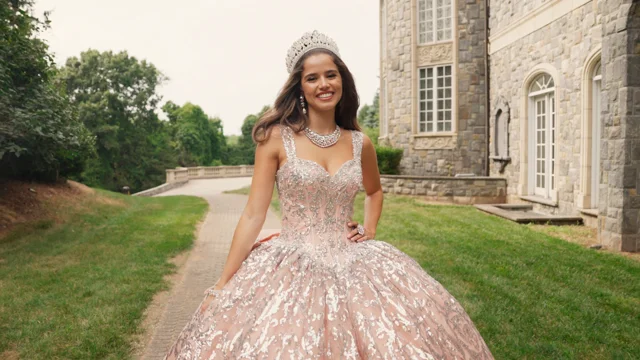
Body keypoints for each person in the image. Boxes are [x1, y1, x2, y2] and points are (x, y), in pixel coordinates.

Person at [164, 30, 493, 359]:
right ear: (301, 88)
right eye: (312, 77)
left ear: (342, 81)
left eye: (331, 75)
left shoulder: (359, 142)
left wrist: (370, 229)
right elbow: (253, 214)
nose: (324, 84)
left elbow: (375, 191)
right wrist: (222, 284)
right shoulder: (276, 139)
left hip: (353, 260)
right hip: (291, 261)